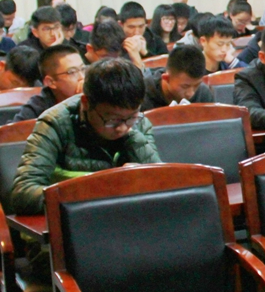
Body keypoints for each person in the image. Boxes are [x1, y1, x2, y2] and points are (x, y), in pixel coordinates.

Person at [10, 58, 160, 215]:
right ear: (86, 103)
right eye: (112, 120)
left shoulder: (138, 123)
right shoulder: (55, 123)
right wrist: (101, 187)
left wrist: (133, 136)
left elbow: (162, 184)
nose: (122, 127)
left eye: (132, 116)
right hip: (76, 219)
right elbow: (23, 193)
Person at [13, 45, 85, 122]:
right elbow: (15, 129)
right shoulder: (38, 107)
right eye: (72, 72)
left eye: (83, 69)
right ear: (51, 82)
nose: (82, 77)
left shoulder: (91, 97)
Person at [141, 45, 213, 110]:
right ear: (166, 78)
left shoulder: (204, 94)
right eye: (185, 86)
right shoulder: (142, 96)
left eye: (196, 85)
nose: (191, 93)